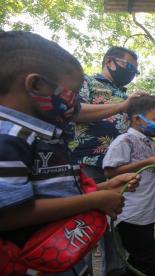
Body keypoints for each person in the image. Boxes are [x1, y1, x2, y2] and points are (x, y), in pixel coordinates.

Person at [0, 31, 140, 275]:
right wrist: (95, 200)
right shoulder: (10, 138)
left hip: (61, 256)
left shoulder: (47, 137)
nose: (75, 103)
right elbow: (8, 214)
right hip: (32, 263)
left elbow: (53, 194)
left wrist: (104, 188)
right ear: (36, 85)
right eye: (72, 93)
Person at [71, 46, 141, 275]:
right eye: (129, 67)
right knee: (89, 224)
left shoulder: (124, 93)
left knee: (118, 221)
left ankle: (116, 269)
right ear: (110, 61)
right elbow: (76, 111)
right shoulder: (86, 82)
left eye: (135, 71)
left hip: (120, 167)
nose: (131, 73)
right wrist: (122, 106)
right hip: (89, 162)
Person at [103, 95, 155, 276]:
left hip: (145, 211)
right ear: (136, 118)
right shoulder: (124, 141)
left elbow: (150, 175)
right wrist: (148, 161)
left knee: (139, 257)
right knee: (147, 259)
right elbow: (110, 172)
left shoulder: (150, 143)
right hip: (130, 213)